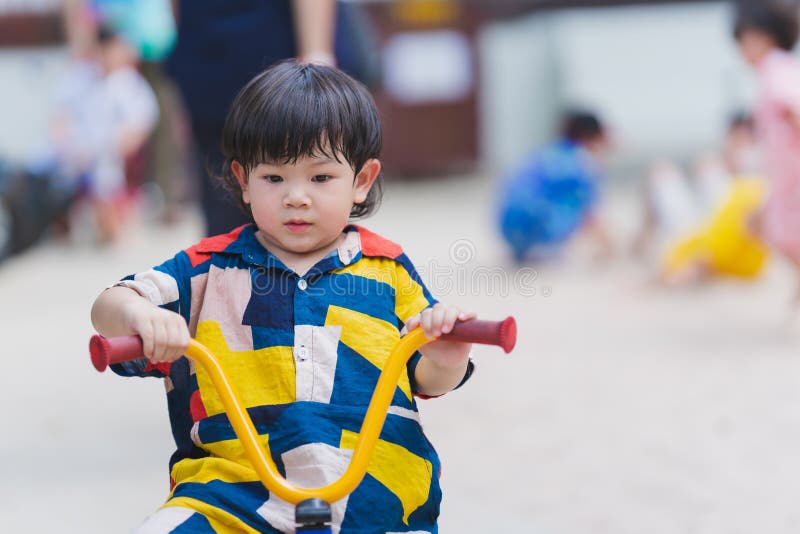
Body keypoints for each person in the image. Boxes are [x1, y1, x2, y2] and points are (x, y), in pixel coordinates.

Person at [90, 62, 476, 533]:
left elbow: (427, 375)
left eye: (320, 178)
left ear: (362, 180)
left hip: (374, 493)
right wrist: (140, 315)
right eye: (274, 178)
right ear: (243, 180)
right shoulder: (206, 270)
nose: (297, 197)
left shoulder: (388, 271)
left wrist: (447, 352)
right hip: (231, 491)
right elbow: (109, 306)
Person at [166, 0, 379, 237]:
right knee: (225, 221)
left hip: (280, 68)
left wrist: (317, 59)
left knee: (311, 198)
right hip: (209, 68)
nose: (296, 198)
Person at [733, 1, 800, 297]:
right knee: (770, 228)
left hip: (793, 176)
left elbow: (795, 110)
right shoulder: (775, 69)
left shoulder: (776, 67)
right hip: (785, 177)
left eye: (746, 40)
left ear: (766, 36)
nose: (742, 50)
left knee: (777, 231)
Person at [497, 109, 613, 262]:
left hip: (507, 230)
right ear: (593, 136)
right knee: (578, 199)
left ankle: (527, 247)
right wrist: (610, 248)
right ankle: (543, 246)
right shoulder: (583, 162)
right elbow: (591, 214)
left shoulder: (546, 153)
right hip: (537, 231)